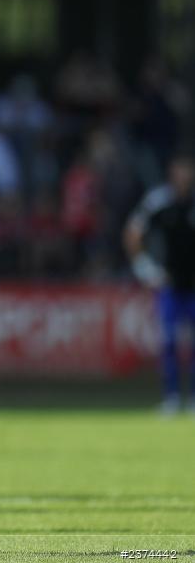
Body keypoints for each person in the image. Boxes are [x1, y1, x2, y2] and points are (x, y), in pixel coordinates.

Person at [124, 155, 195, 414]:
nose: (184, 175)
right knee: (169, 343)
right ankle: (172, 398)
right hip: (170, 284)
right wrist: (145, 269)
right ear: (172, 172)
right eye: (180, 170)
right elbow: (133, 232)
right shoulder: (159, 201)